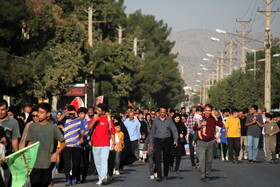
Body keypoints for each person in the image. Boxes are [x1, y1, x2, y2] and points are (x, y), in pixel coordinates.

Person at [27, 103, 65, 187]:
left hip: (47, 163)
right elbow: (29, 142)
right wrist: (27, 157)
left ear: (48, 114)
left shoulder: (53, 127)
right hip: (34, 163)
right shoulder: (32, 126)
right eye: (38, 112)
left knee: (46, 184)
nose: (39, 115)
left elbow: (63, 142)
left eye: (41, 112)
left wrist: (56, 154)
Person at [193, 104, 223, 182]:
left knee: (209, 160)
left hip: (210, 142)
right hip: (201, 142)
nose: (207, 112)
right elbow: (194, 127)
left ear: (211, 111)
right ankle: (202, 175)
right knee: (202, 159)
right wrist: (201, 125)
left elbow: (221, 124)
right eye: (206, 110)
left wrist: (215, 116)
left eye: (209, 111)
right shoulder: (200, 118)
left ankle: (207, 174)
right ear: (204, 111)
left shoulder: (213, 119)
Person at [88, 104, 116, 185]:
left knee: (104, 160)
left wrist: (113, 143)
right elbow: (88, 128)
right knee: (98, 162)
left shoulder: (108, 119)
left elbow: (112, 132)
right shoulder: (94, 118)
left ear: (103, 111)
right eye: (97, 110)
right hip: (95, 144)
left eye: (99, 110)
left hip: (105, 144)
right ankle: (100, 178)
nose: (97, 112)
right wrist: (94, 121)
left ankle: (104, 177)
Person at [149, 106, 178, 182]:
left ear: (166, 113)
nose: (162, 114)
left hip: (167, 141)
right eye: (161, 112)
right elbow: (152, 133)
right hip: (158, 140)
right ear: (159, 112)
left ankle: (165, 174)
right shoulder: (155, 120)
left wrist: (175, 140)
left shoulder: (169, 120)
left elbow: (174, 130)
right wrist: (151, 144)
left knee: (166, 158)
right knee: (157, 158)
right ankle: (159, 175)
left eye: (163, 112)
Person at [0, 99, 21, 186]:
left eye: (3, 109)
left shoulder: (13, 122)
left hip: (7, 157)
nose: (0, 112)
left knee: (6, 181)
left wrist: (16, 156)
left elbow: (15, 139)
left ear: (7, 109)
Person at [63, 107, 85, 186]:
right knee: (67, 163)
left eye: (73, 113)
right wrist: (66, 113)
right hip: (67, 144)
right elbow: (58, 120)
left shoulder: (79, 120)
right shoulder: (66, 120)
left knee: (76, 163)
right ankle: (68, 178)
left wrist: (82, 137)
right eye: (70, 113)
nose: (71, 115)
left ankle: (73, 178)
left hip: (76, 145)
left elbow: (82, 130)